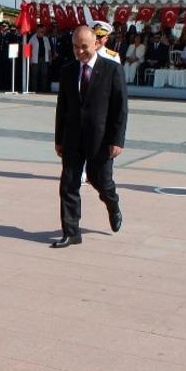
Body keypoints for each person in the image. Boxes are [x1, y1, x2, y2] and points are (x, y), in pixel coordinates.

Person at [51, 26, 128, 248]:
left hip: (101, 139)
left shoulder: (112, 70)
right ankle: (72, 232)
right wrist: (58, 139)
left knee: (101, 181)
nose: (80, 52)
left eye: (84, 47)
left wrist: (117, 140)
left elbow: (120, 108)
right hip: (72, 138)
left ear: (96, 43)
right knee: (68, 185)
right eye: (76, 47)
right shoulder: (68, 71)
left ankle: (113, 205)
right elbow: (62, 107)